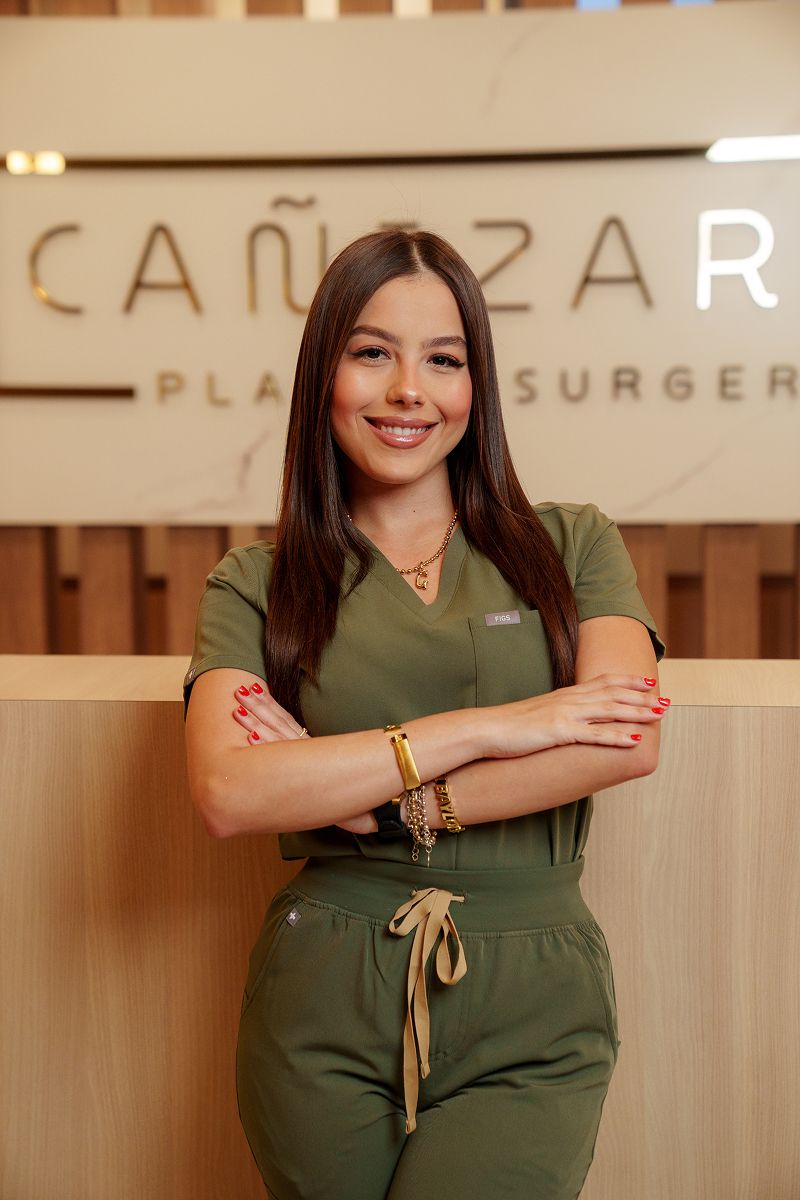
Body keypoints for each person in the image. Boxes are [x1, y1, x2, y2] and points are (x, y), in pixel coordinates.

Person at [184, 228, 667, 1200]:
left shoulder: (570, 545)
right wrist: (496, 724)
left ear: (474, 387)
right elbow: (230, 792)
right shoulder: (258, 583)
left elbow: (622, 736)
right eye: (372, 352)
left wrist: (367, 799)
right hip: (320, 986)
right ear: (323, 373)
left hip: (534, 991)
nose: (409, 389)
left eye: (442, 360)